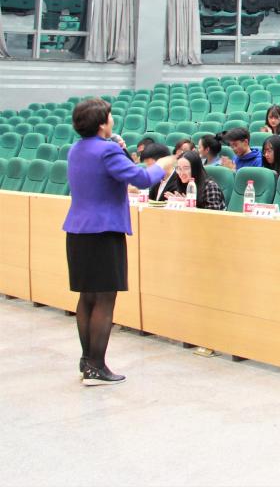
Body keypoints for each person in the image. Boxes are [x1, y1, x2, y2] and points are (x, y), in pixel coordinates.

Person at [64, 98, 176, 385]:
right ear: (102, 123)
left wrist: (121, 151)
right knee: (105, 298)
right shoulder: (107, 150)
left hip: (77, 231)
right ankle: (96, 366)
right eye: (110, 116)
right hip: (103, 232)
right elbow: (141, 179)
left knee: (87, 297)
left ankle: (86, 360)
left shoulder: (77, 149)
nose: (112, 119)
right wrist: (162, 165)